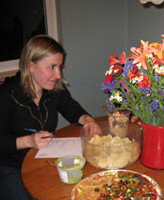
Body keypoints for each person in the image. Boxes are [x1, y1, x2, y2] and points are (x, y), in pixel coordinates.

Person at [0, 35, 99, 200]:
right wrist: (28, 141)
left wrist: (88, 120)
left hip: (41, 158)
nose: (58, 74)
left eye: (60, 67)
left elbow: (72, 110)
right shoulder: (6, 96)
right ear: (30, 65)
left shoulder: (54, 89)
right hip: (10, 166)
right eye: (51, 67)